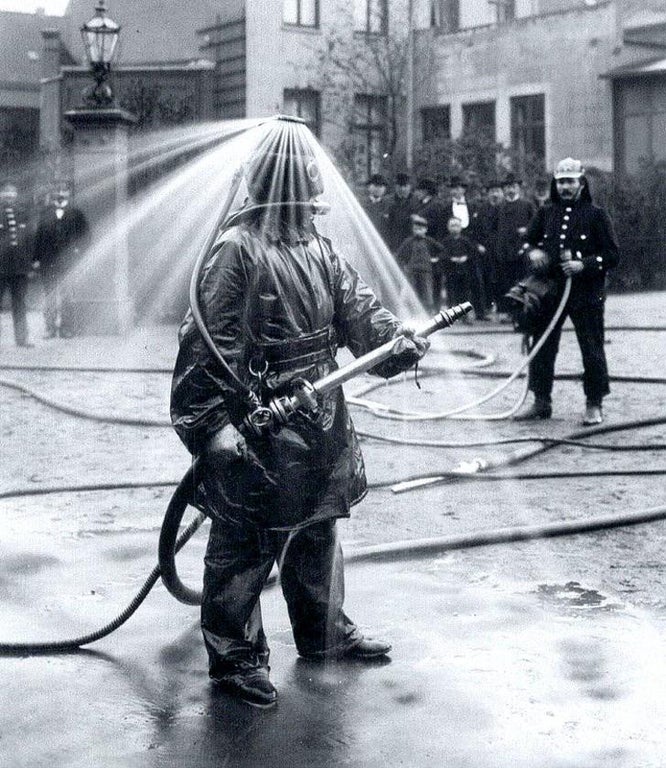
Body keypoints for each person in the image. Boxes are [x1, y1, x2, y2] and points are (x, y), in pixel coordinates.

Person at [170, 121, 429, 709]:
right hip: (259, 419)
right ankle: (235, 658)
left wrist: (395, 341)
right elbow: (204, 349)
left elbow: (358, 311)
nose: (312, 190)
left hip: (319, 417)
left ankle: (323, 633)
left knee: (317, 528)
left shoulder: (318, 247)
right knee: (244, 539)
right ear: (275, 183)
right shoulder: (236, 252)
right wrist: (213, 427)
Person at [514, 157, 619, 425]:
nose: (565, 187)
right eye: (561, 182)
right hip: (550, 290)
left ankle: (594, 404)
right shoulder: (546, 213)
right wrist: (534, 250)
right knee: (543, 345)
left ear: (581, 183)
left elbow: (612, 255)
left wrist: (583, 264)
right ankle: (541, 401)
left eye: (570, 181)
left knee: (591, 347)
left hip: (586, 293)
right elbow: (526, 242)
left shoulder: (596, 215)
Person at [33, 183, 90, 338]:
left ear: (69, 193)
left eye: (63, 191)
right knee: (49, 296)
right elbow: (39, 237)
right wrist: (36, 259)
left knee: (67, 295)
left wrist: (78, 252)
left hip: (68, 262)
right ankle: (50, 328)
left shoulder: (76, 213)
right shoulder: (45, 213)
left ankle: (66, 328)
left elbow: (85, 235)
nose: (60, 194)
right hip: (48, 262)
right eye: (57, 191)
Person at [495, 173, 536, 319]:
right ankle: (506, 312)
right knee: (505, 282)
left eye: (513, 186)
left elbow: (536, 225)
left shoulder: (527, 205)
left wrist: (527, 229)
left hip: (522, 250)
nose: (510, 190)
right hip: (504, 251)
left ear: (518, 188)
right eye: (507, 187)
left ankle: (522, 311)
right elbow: (494, 230)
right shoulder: (499, 207)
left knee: (523, 281)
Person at [0, 180, 33, 347]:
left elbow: (29, 240)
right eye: (5, 192)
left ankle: (22, 339)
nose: (9, 195)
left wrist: (30, 263)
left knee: (20, 303)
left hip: (19, 267)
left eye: (12, 192)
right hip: (1, 267)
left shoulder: (23, 214)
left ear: (16, 195)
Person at [394, 213, 442, 310]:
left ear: (425, 230)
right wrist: (404, 265)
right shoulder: (408, 241)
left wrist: (435, 259)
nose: (418, 231)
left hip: (426, 271)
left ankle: (427, 310)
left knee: (427, 292)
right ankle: (410, 311)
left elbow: (441, 250)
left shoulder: (429, 241)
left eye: (420, 229)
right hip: (412, 271)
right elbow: (399, 254)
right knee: (411, 291)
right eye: (415, 229)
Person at [413, 177, 448, 309]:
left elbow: (438, 225)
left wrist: (420, 220)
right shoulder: (422, 204)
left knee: (435, 277)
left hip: (433, 246)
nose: (417, 193)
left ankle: (435, 307)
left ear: (427, 191)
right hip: (424, 246)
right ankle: (427, 307)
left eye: (420, 190)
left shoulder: (435, 205)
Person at [439, 216, 478, 318]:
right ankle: (452, 314)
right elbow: (442, 254)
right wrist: (451, 259)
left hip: (464, 270)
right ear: (448, 227)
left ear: (461, 227)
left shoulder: (465, 240)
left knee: (464, 292)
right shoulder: (445, 241)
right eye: (452, 226)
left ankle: (464, 315)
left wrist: (466, 258)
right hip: (451, 270)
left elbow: (472, 253)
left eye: (457, 225)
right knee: (451, 292)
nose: (454, 228)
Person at [386, 172, 417, 254]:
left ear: (410, 187)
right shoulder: (388, 200)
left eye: (405, 186)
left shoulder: (416, 201)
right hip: (392, 241)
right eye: (400, 186)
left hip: (411, 242)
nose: (402, 189)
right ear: (395, 187)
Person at [362, 173, 391, 244]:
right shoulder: (361, 204)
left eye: (381, 186)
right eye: (375, 186)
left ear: (385, 189)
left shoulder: (389, 205)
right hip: (365, 240)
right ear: (369, 187)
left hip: (382, 242)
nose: (378, 189)